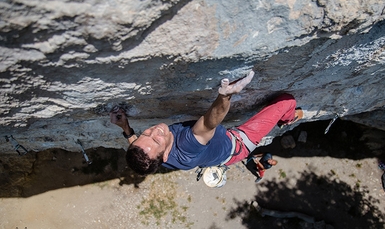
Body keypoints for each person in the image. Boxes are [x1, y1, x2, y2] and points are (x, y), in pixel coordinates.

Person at [110, 70, 303, 177]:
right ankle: (287, 120)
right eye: (158, 140)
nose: (156, 131)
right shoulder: (186, 146)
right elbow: (210, 122)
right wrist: (225, 96)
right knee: (287, 101)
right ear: (166, 155)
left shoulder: (155, 158)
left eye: (146, 134)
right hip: (239, 143)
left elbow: (143, 149)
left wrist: (126, 129)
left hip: (217, 156)